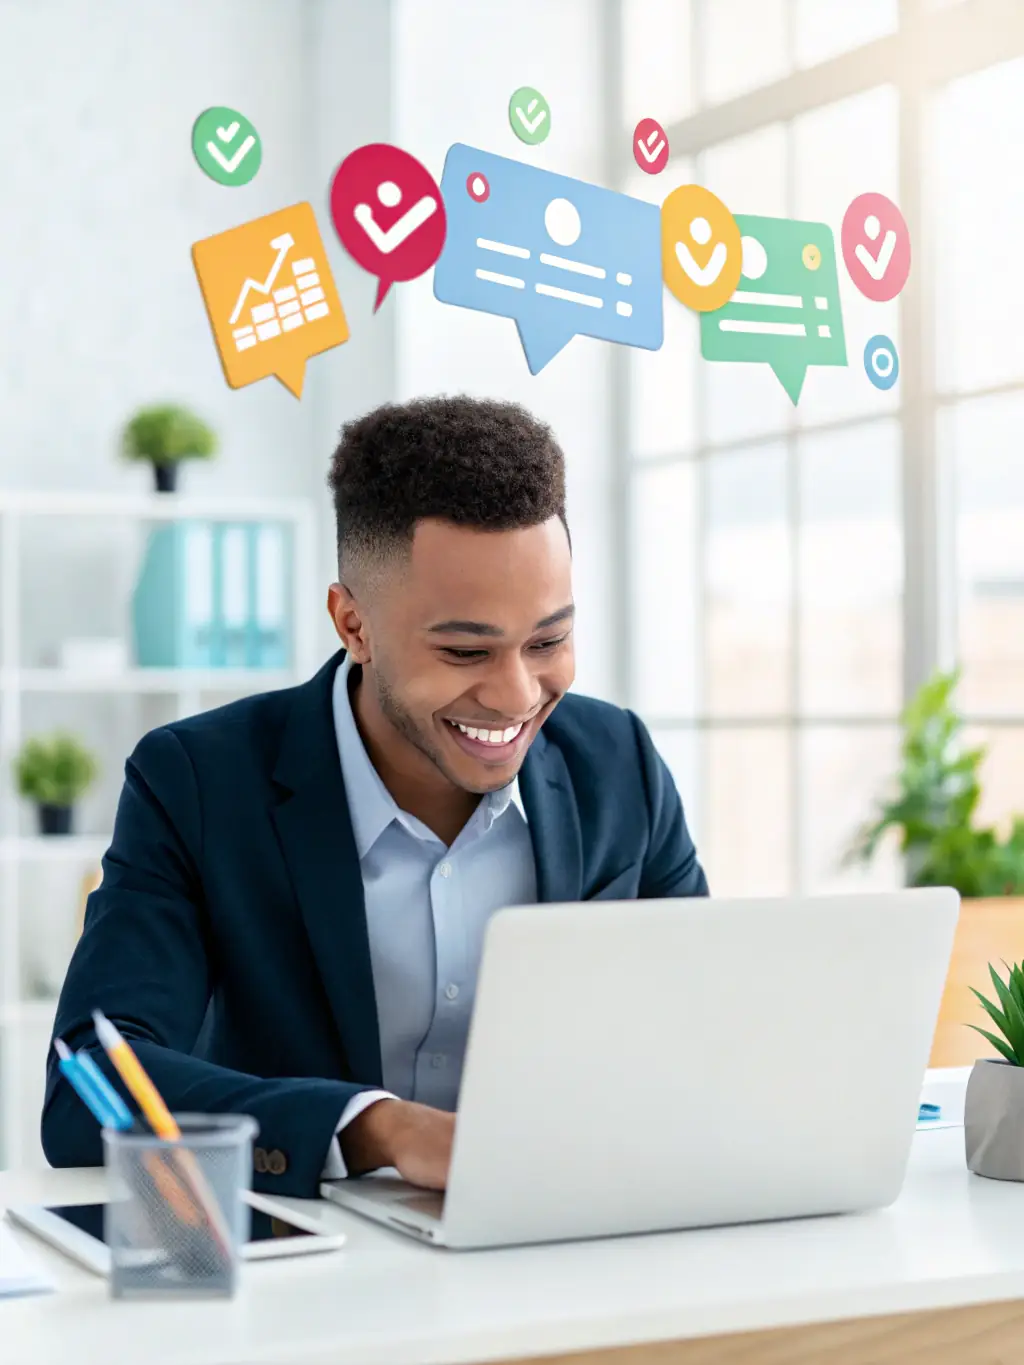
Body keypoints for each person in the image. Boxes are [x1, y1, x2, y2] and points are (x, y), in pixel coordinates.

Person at [42, 396, 708, 1198]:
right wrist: (381, 1128)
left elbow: (701, 1028)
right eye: (465, 650)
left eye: (549, 639)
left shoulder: (619, 763)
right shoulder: (197, 781)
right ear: (353, 624)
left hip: (566, 1226)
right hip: (309, 1250)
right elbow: (89, 1082)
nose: (517, 693)